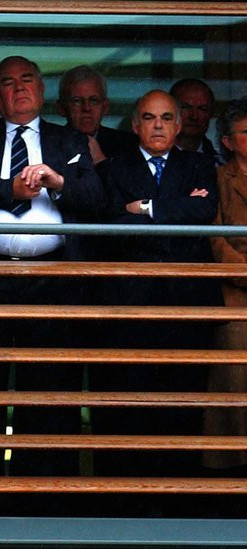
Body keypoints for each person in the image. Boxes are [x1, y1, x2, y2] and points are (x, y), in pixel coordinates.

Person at [0, 56, 103, 508]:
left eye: (27, 80)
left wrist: (57, 182)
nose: (18, 88)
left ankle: (43, 502)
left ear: (42, 91)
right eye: (7, 82)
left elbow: (96, 198)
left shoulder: (69, 139)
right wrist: (10, 190)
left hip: (52, 281)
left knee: (48, 392)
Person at [93, 89, 221, 517]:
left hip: (187, 305)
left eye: (167, 117)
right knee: (129, 405)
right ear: (135, 125)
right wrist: (175, 208)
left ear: (180, 125)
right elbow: (111, 221)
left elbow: (204, 213)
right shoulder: (115, 167)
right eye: (149, 118)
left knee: (182, 405)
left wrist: (145, 208)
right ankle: (126, 506)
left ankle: (178, 504)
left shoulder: (200, 164)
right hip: (130, 306)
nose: (159, 125)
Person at [204, 97, 247, 512]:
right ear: (228, 142)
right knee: (233, 397)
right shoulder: (217, 178)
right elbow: (215, 240)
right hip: (235, 301)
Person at [56, 64, 137, 165]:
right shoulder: (48, 144)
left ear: (105, 107)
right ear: (61, 108)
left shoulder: (127, 145)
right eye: (77, 101)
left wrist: (100, 161)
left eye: (93, 100)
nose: (86, 108)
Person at [170, 78, 224, 166]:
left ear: (211, 114)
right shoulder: (151, 160)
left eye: (202, 109)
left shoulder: (220, 166)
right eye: (185, 107)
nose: (194, 116)